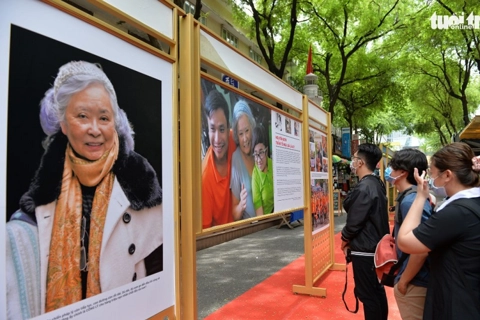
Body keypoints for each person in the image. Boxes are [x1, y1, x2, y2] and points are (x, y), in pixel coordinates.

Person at [6, 61, 163, 318]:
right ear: (64, 125)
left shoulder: (143, 190)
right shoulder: (40, 201)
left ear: (114, 123)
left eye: (103, 118)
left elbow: (159, 275)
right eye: (82, 116)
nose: (95, 129)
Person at [397, 142, 480, 320]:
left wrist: (421, 196)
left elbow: (405, 241)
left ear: (447, 175)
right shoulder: (472, 203)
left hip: (458, 302)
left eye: (433, 174)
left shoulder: (457, 212)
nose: (431, 180)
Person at [341, 143, 389, 320]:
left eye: (354, 158)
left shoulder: (365, 187)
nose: (352, 162)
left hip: (365, 249)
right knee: (376, 292)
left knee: (368, 295)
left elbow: (354, 222)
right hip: (374, 248)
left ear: (360, 162)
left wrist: (345, 238)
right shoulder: (375, 183)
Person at [385, 149, 432, 320]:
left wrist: (404, 280)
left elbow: (420, 248)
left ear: (403, 172)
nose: (389, 172)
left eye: (392, 167)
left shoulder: (411, 201)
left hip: (415, 281)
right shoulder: (410, 197)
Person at [202, 90, 236, 228]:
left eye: (222, 129)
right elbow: (207, 236)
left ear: (229, 128)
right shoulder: (204, 178)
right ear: (207, 130)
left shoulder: (238, 141)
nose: (217, 139)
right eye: (212, 129)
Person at [230, 100, 256, 220]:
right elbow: (234, 213)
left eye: (247, 131)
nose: (245, 138)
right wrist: (241, 205)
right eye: (241, 134)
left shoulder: (258, 150)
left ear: (252, 127)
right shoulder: (236, 159)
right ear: (236, 135)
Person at [251, 125, 274, 215]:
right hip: (267, 221)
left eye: (261, 152)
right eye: (255, 154)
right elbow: (260, 215)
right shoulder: (255, 177)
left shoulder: (274, 165)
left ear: (266, 151)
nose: (258, 159)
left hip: (282, 216)